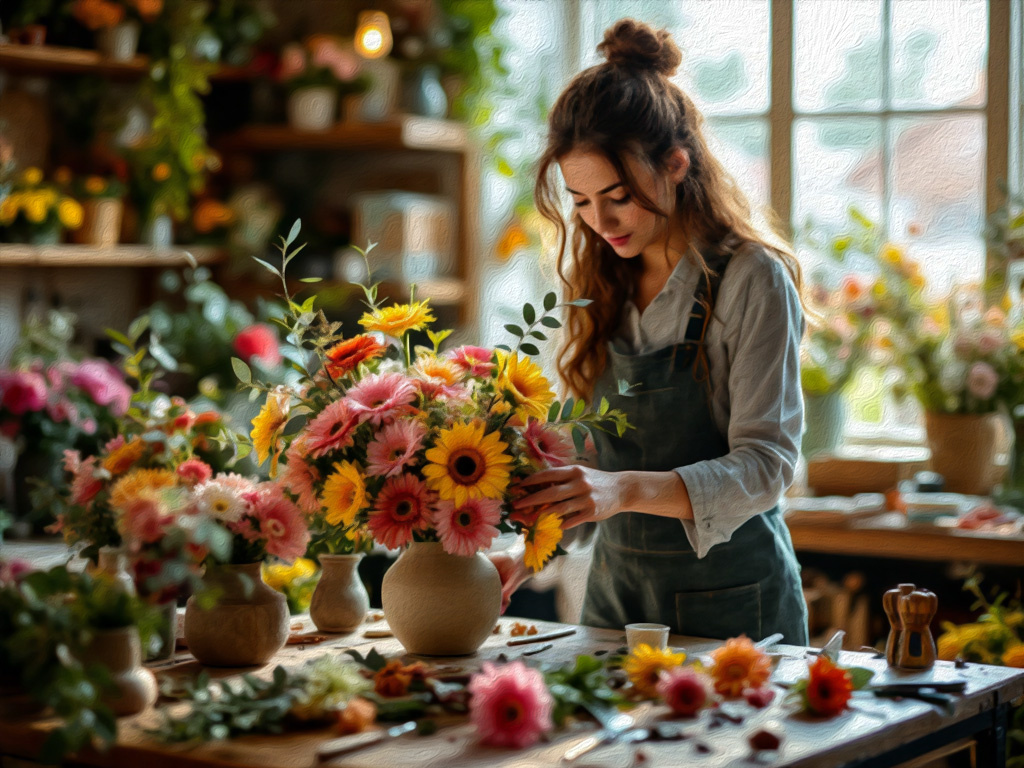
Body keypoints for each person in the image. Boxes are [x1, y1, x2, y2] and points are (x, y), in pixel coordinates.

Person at [490, 19, 810, 645]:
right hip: (617, 602)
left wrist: (621, 490)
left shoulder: (750, 279)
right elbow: (589, 460)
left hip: (733, 609)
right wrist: (523, 553)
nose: (599, 221)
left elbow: (768, 465)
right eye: (580, 202)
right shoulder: (598, 281)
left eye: (617, 196)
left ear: (675, 163)